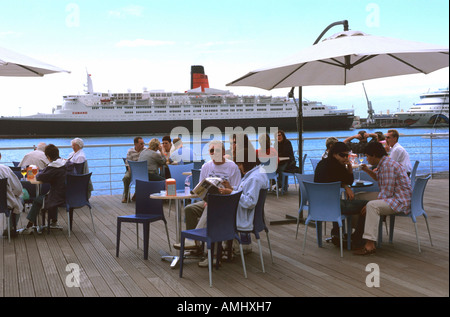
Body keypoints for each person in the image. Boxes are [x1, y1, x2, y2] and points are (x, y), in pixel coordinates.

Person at [177, 140, 241, 252]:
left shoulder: (232, 167)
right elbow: (202, 188)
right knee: (189, 209)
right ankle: (196, 246)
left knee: (210, 207)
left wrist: (229, 188)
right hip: (210, 200)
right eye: (211, 151)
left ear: (223, 152)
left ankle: (194, 241)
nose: (214, 153)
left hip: (227, 204)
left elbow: (238, 191)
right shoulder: (206, 166)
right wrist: (205, 198)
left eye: (217, 150)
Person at [354, 141, 412, 255]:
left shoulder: (387, 166)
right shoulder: (385, 162)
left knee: (371, 205)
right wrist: (367, 170)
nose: (366, 159)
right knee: (358, 197)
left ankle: (369, 244)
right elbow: (379, 178)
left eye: (367, 156)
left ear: (374, 155)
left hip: (399, 200)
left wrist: (370, 203)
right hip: (396, 196)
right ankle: (358, 234)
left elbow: (387, 192)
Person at [314, 142, 368, 249]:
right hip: (333, 205)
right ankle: (358, 238)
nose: (344, 158)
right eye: (342, 155)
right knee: (368, 205)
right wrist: (349, 171)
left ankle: (337, 234)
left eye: (346, 155)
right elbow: (350, 181)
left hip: (318, 205)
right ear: (334, 154)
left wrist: (344, 183)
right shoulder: (337, 166)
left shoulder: (322, 163)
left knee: (341, 200)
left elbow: (334, 180)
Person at [17, 144, 67, 234]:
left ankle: (30, 225)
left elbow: (40, 177)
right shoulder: (65, 164)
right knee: (47, 194)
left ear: (48, 156)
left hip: (57, 196)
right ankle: (54, 221)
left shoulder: (54, 167)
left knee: (38, 199)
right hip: (68, 195)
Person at [0, 152, 24, 237]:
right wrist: (17, 194)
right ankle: (10, 228)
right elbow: (17, 188)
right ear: (0, 157)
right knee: (19, 200)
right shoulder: (5, 169)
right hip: (3, 203)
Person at [122, 137, 146, 203]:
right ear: (135, 144)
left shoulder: (145, 150)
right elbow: (128, 164)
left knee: (142, 178)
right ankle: (126, 197)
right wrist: (132, 172)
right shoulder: (130, 151)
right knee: (126, 178)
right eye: (141, 144)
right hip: (132, 170)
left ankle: (136, 194)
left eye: (143, 143)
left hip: (142, 171)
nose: (143, 145)